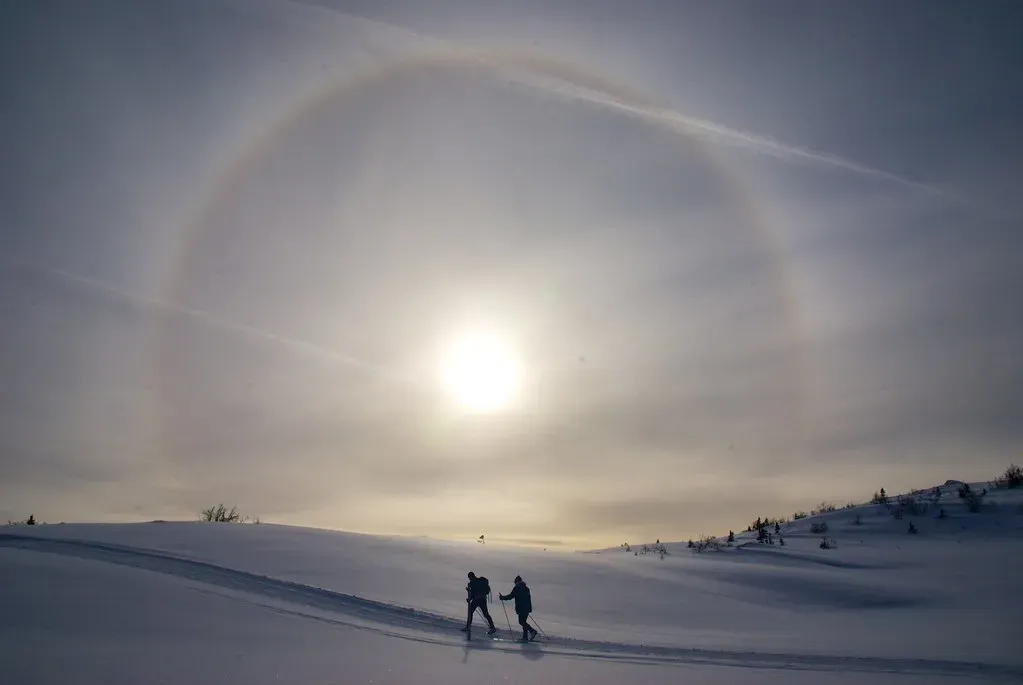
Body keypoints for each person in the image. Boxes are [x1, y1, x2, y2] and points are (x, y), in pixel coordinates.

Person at [499, 575, 538, 642]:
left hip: (521, 607)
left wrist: (503, 598)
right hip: (527, 607)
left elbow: (511, 596)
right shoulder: (526, 588)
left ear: (517, 582)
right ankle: (525, 636)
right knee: (523, 621)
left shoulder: (517, 588)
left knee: (521, 621)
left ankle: (532, 631)